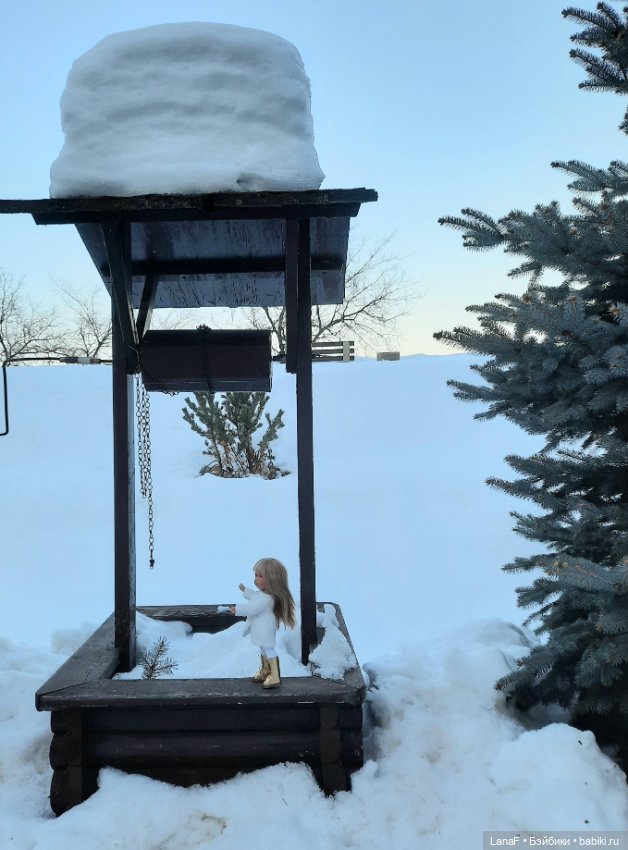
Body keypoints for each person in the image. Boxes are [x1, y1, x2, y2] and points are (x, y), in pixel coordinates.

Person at [230, 557, 296, 688]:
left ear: (272, 580)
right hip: (260, 629)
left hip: (265, 629)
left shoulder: (267, 599)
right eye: (256, 575)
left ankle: (275, 676)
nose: (256, 579)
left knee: (268, 649)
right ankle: (266, 670)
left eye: (260, 576)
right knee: (263, 649)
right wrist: (245, 590)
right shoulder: (262, 594)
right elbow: (254, 596)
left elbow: (253, 608)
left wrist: (237, 609)